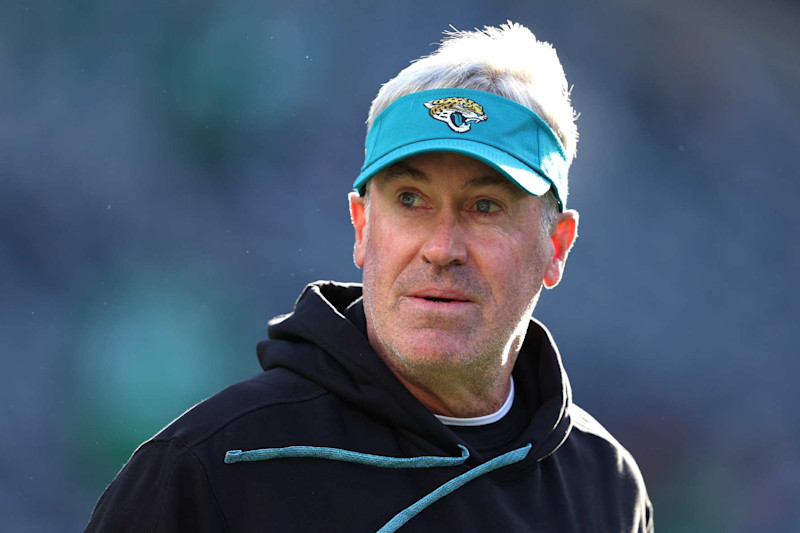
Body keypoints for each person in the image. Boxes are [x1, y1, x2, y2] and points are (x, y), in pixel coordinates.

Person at [86, 22, 653, 532]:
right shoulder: (212, 468)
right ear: (361, 226)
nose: (441, 248)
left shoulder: (607, 486)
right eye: (411, 200)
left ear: (556, 247)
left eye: (485, 207)